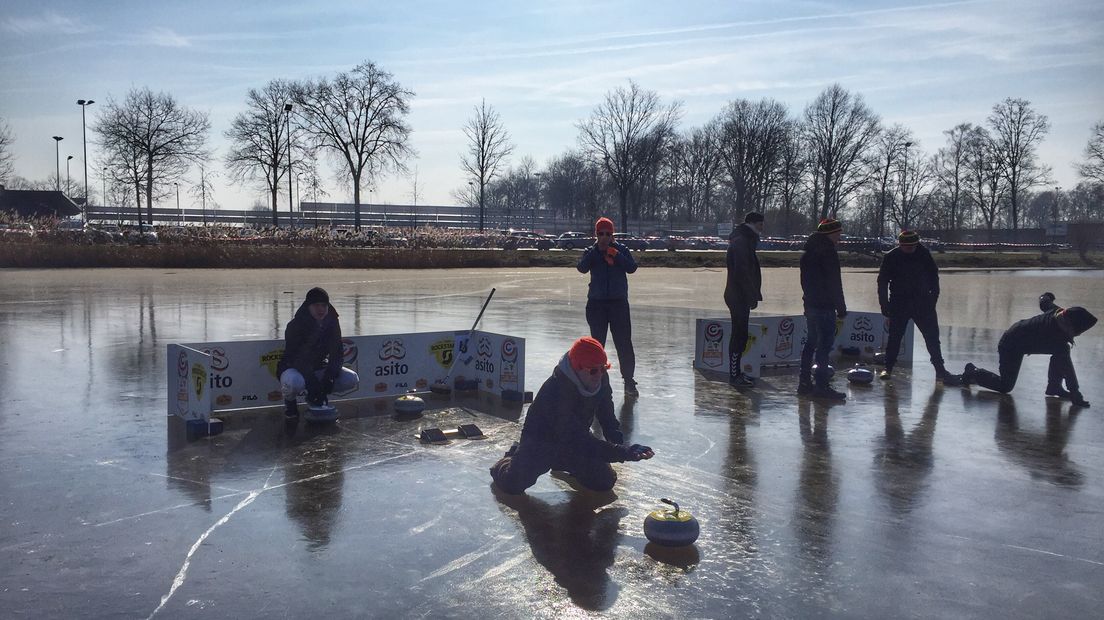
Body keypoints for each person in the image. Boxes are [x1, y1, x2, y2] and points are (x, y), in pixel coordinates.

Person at [489, 337, 654, 495]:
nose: (599, 374)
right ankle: (511, 456)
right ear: (576, 367)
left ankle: (564, 465)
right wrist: (622, 452)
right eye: (593, 370)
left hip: (574, 439)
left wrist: (621, 445)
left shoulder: (601, 377)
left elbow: (607, 416)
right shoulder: (555, 390)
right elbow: (578, 440)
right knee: (512, 485)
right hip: (540, 442)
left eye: (603, 368)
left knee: (604, 482)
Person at [962, 292, 1096, 407]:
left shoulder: (1058, 312)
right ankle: (973, 372)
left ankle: (1054, 387)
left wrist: (1047, 295)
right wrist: (1075, 392)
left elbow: (1044, 302)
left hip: (1020, 338)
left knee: (1062, 350)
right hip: (1010, 344)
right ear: (1071, 326)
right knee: (1005, 386)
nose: (1078, 335)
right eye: (1079, 331)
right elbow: (1067, 366)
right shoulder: (1055, 333)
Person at [876, 230, 959, 385]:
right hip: (899, 303)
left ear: (916, 244)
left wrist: (933, 299)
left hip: (923, 304)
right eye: (906, 247)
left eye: (912, 247)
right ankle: (887, 368)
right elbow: (882, 282)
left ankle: (940, 371)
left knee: (932, 338)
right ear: (900, 245)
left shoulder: (923, 254)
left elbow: (934, 276)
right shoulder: (891, 257)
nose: (909, 250)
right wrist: (885, 307)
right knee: (894, 338)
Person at [577, 216, 640, 396]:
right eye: (601, 233)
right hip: (596, 305)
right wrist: (597, 251)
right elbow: (581, 267)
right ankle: (599, 382)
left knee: (624, 344)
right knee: (597, 345)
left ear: (613, 234)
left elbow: (632, 268)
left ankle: (629, 381)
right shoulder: (591, 251)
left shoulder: (621, 250)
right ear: (596, 234)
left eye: (608, 233)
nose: (604, 237)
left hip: (618, 304)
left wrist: (616, 255)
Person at [277, 287, 360, 423]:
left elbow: (337, 353)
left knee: (351, 379)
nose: (321, 309)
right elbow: (297, 358)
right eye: (316, 305)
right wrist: (311, 381)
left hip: (319, 365)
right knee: (294, 383)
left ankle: (319, 398)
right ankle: (290, 403)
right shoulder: (295, 325)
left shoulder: (332, 323)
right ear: (308, 306)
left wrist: (330, 378)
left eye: (324, 305)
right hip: (293, 368)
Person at [799, 218, 847, 400]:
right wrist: (841, 307)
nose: (840, 238)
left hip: (810, 303)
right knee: (824, 346)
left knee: (810, 343)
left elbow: (804, 282)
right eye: (838, 234)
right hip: (825, 306)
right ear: (830, 234)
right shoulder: (828, 253)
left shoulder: (807, 253)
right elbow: (835, 283)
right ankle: (822, 385)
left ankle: (804, 382)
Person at [724, 211, 765, 388]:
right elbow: (742, 272)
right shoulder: (742, 241)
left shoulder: (745, 239)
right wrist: (751, 294)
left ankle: (737, 372)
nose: (763, 227)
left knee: (741, 335)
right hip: (738, 295)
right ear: (754, 224)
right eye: (761, 224)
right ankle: (734, 375)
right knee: (738, 335)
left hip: (739, 294)